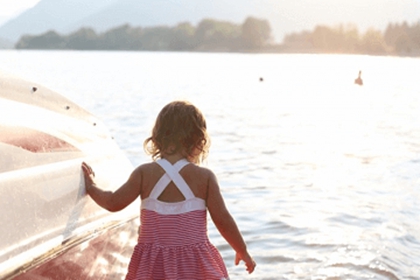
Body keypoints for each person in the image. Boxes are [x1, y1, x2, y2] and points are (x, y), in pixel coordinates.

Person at [82, 100, 256, 280]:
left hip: (153, 266)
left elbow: (113, 203)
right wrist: (241, 250)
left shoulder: (144, 174)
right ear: (199, 140)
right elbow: (223, 220)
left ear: (156, 138)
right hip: (194, 265)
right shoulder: (204, 178)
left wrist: (91, 187)